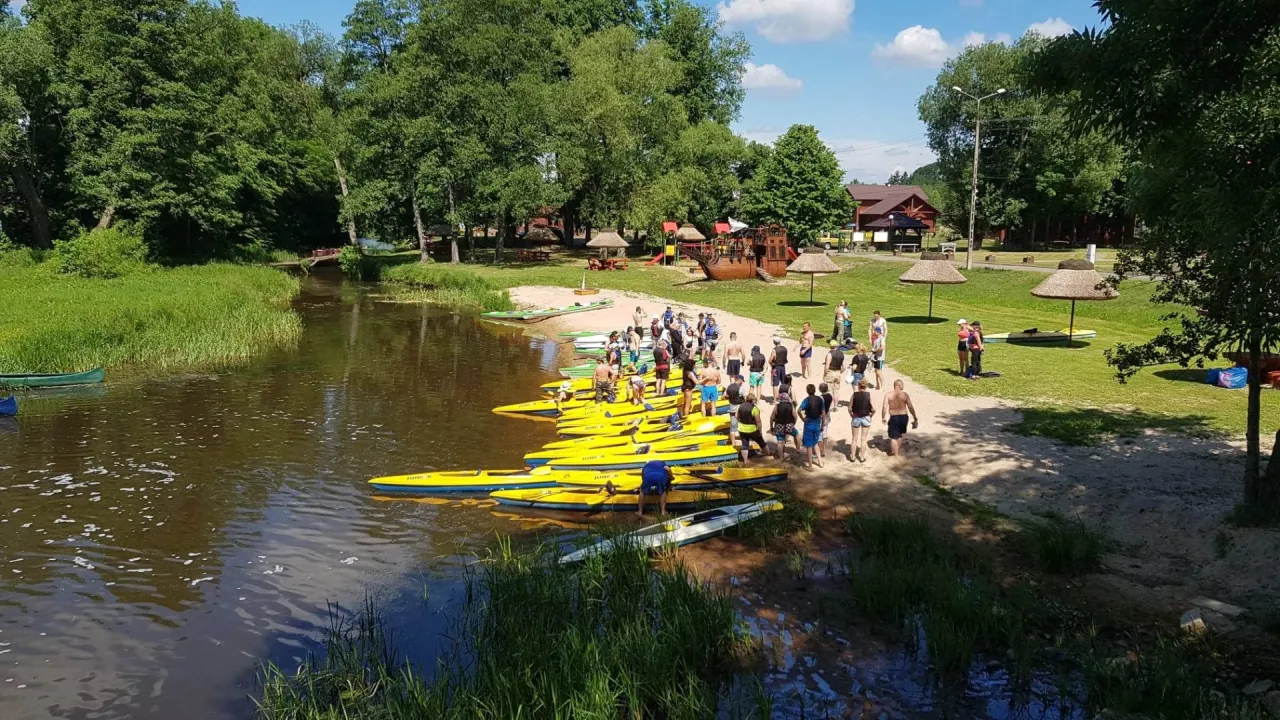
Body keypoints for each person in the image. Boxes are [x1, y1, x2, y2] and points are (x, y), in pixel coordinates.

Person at [881, 379, 919, 457]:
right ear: (899, 385)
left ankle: (895, 454)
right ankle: (897, 451)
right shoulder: (905, 395)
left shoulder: (888, 394)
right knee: (899, 435)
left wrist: (883, 417)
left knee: (893, 437)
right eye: (902, 385)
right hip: (904, 417)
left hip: (894, 417)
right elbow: (910, 407)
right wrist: (915, 417)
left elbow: (884, 407)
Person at [770, 384, 800, 462]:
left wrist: (771, 426)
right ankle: (798, 449)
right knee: (796, 434)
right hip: (789, 425)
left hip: (779, 425)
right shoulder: (791, 406)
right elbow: (795, 416)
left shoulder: (777, 406)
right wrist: (793, 423)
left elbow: (772, 418)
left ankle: (781, 458)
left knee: (780, 442)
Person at [736, 393, 769, 462]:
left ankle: (745, 461)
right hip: (752, 429)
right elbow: (758, 421)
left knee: (745, 444)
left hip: (742, 429)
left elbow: (737, 416)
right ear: (753, 400)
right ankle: (768, 454)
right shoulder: (754, 408)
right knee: (761, 441)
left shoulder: (741, 406)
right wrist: (760, 430)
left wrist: (741, 422)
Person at [798, 384, 825, 469]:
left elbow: (799, 410)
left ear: (807, 391)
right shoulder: (820, 399)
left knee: (809, 445)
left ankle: (810, 466)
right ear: (815, 390)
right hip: (817, 422)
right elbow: (823, 413)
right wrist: (822, 424)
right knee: (815, 443)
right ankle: (820, 462)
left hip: (809, 422)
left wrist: (803, 419)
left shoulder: (806, 400)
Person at [848, 378, 874, 463]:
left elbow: (849, 408)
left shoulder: (854, 395)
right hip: (866, 417)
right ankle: (862, 457)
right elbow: (873, 409)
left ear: (859, 386)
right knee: (863, 439)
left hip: (856, 416)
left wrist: (851, 415)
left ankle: (852, 456)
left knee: (854, 439)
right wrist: (871, 416)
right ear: (866, 386)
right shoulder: (869, 395)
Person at [823, 339, 845, 406]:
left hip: (830, 372)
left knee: (828, 390)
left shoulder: (829, 354)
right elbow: (844, 367)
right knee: (836, 391)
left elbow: (827, 366)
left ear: (830, 346)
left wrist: (824, 374)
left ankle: (828, 405)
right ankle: (835, 405)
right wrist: (839, 372)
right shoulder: (841, 354)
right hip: (838, 372)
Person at [725, 373, 745, 443]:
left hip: (731, 407)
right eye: (742, 381)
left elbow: (725, 395)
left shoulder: (729, 386)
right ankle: (743, 439)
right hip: (739, 408)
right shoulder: (741, 388)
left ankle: (733, 442)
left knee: (733, 426)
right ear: (739, 380)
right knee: (742, 424)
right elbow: (745, 398)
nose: (742, 382)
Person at [768, 337, 788, 401]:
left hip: (776, 367)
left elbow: (770, 360)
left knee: (775, 384)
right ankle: (784, 397)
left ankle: (775, 399)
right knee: (783, 383)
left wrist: (771, 365)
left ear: (774, 342)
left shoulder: (774, 350)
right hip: (783, 367)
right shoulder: (784, 348)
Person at [819, 382, 834, 456]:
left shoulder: (820, 398)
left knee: (819, 434)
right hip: (828, 415)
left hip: (821, 416)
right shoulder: (830, 396)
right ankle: (823, 450)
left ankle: (820, 450)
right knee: (825, 433)